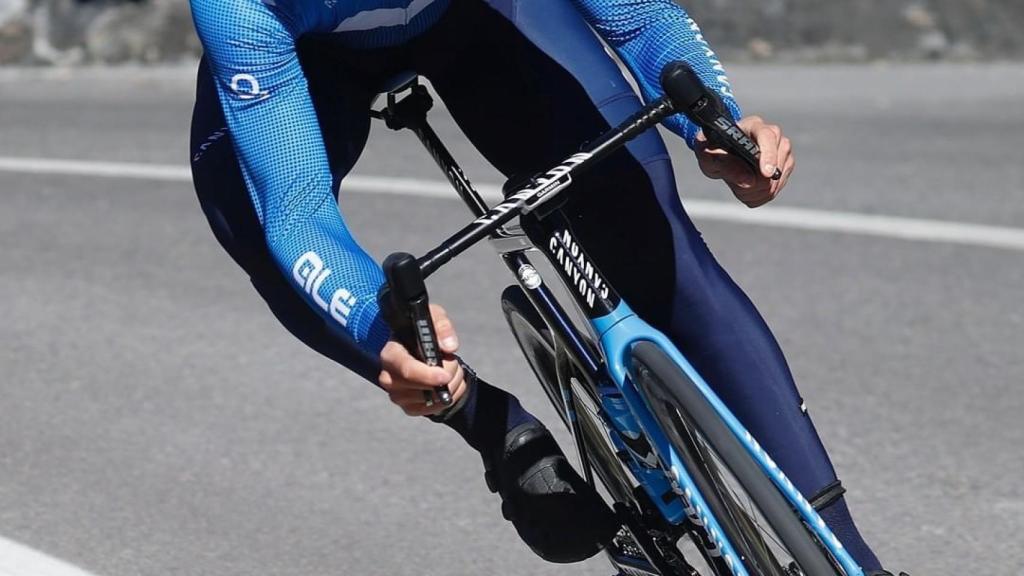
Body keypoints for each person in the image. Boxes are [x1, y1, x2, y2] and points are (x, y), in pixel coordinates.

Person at [188, 0, 904, 573]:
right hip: (308, 58)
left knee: (655, 243)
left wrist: (718, 124)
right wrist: (384, 337)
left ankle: (849, 557)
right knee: (247, 221)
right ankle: (487, 424)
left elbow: (641, 19)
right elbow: (299, 214)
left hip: (482, 19)